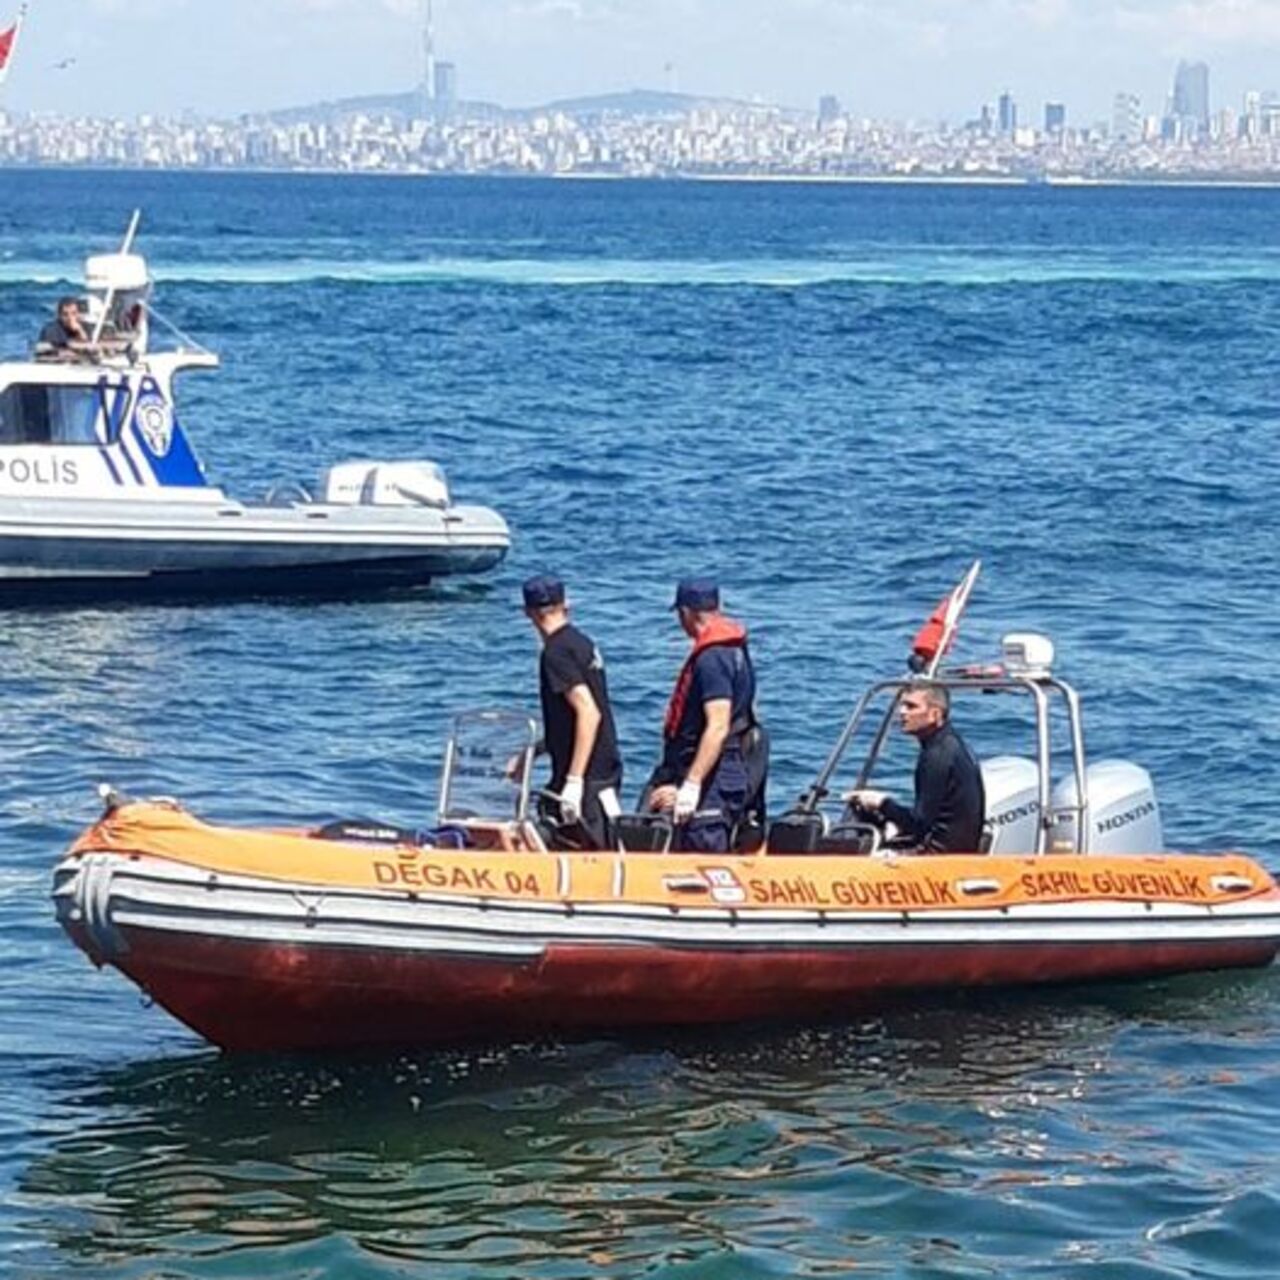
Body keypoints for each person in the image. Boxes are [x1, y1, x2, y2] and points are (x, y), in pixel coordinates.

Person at [646, 577, 768, 852]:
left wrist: (691, 785)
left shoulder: (712, 658)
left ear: (686, 613)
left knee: (702, 848)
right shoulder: (735, 650)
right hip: (724, 770)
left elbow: (718, 725)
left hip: (714, 779)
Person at [522, 574, 622, 849]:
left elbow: (589, 713)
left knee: (590, 849)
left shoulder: (555, 652)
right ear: (566, 605)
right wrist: (532, 752)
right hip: (603, 766)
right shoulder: (582, 643)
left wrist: (574, 781)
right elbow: (570, 718)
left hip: (586, 775)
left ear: (528, 612)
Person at [846, 681, 985, 854]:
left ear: (935, 714)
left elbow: (919, 823)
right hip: (951, 849)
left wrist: (881, 803)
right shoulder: (949, 744)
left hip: (936, 856)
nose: (902, 712)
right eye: (902, 705)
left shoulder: (937, 755)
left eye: (911, 706)